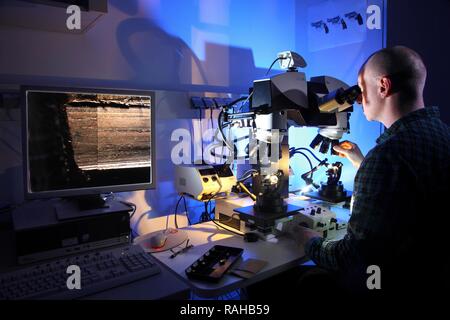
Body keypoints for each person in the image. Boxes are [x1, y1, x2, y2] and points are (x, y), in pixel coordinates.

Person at [295, 46, 450, 295]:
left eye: (360, 87)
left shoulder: (387, 155)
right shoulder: (442, 135)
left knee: (303, 282)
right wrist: (362, 162)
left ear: (383, 86)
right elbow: (407, 191)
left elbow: (352, 258)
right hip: (430, 279)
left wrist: (309, 240)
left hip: (386, 283)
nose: (357, 99)